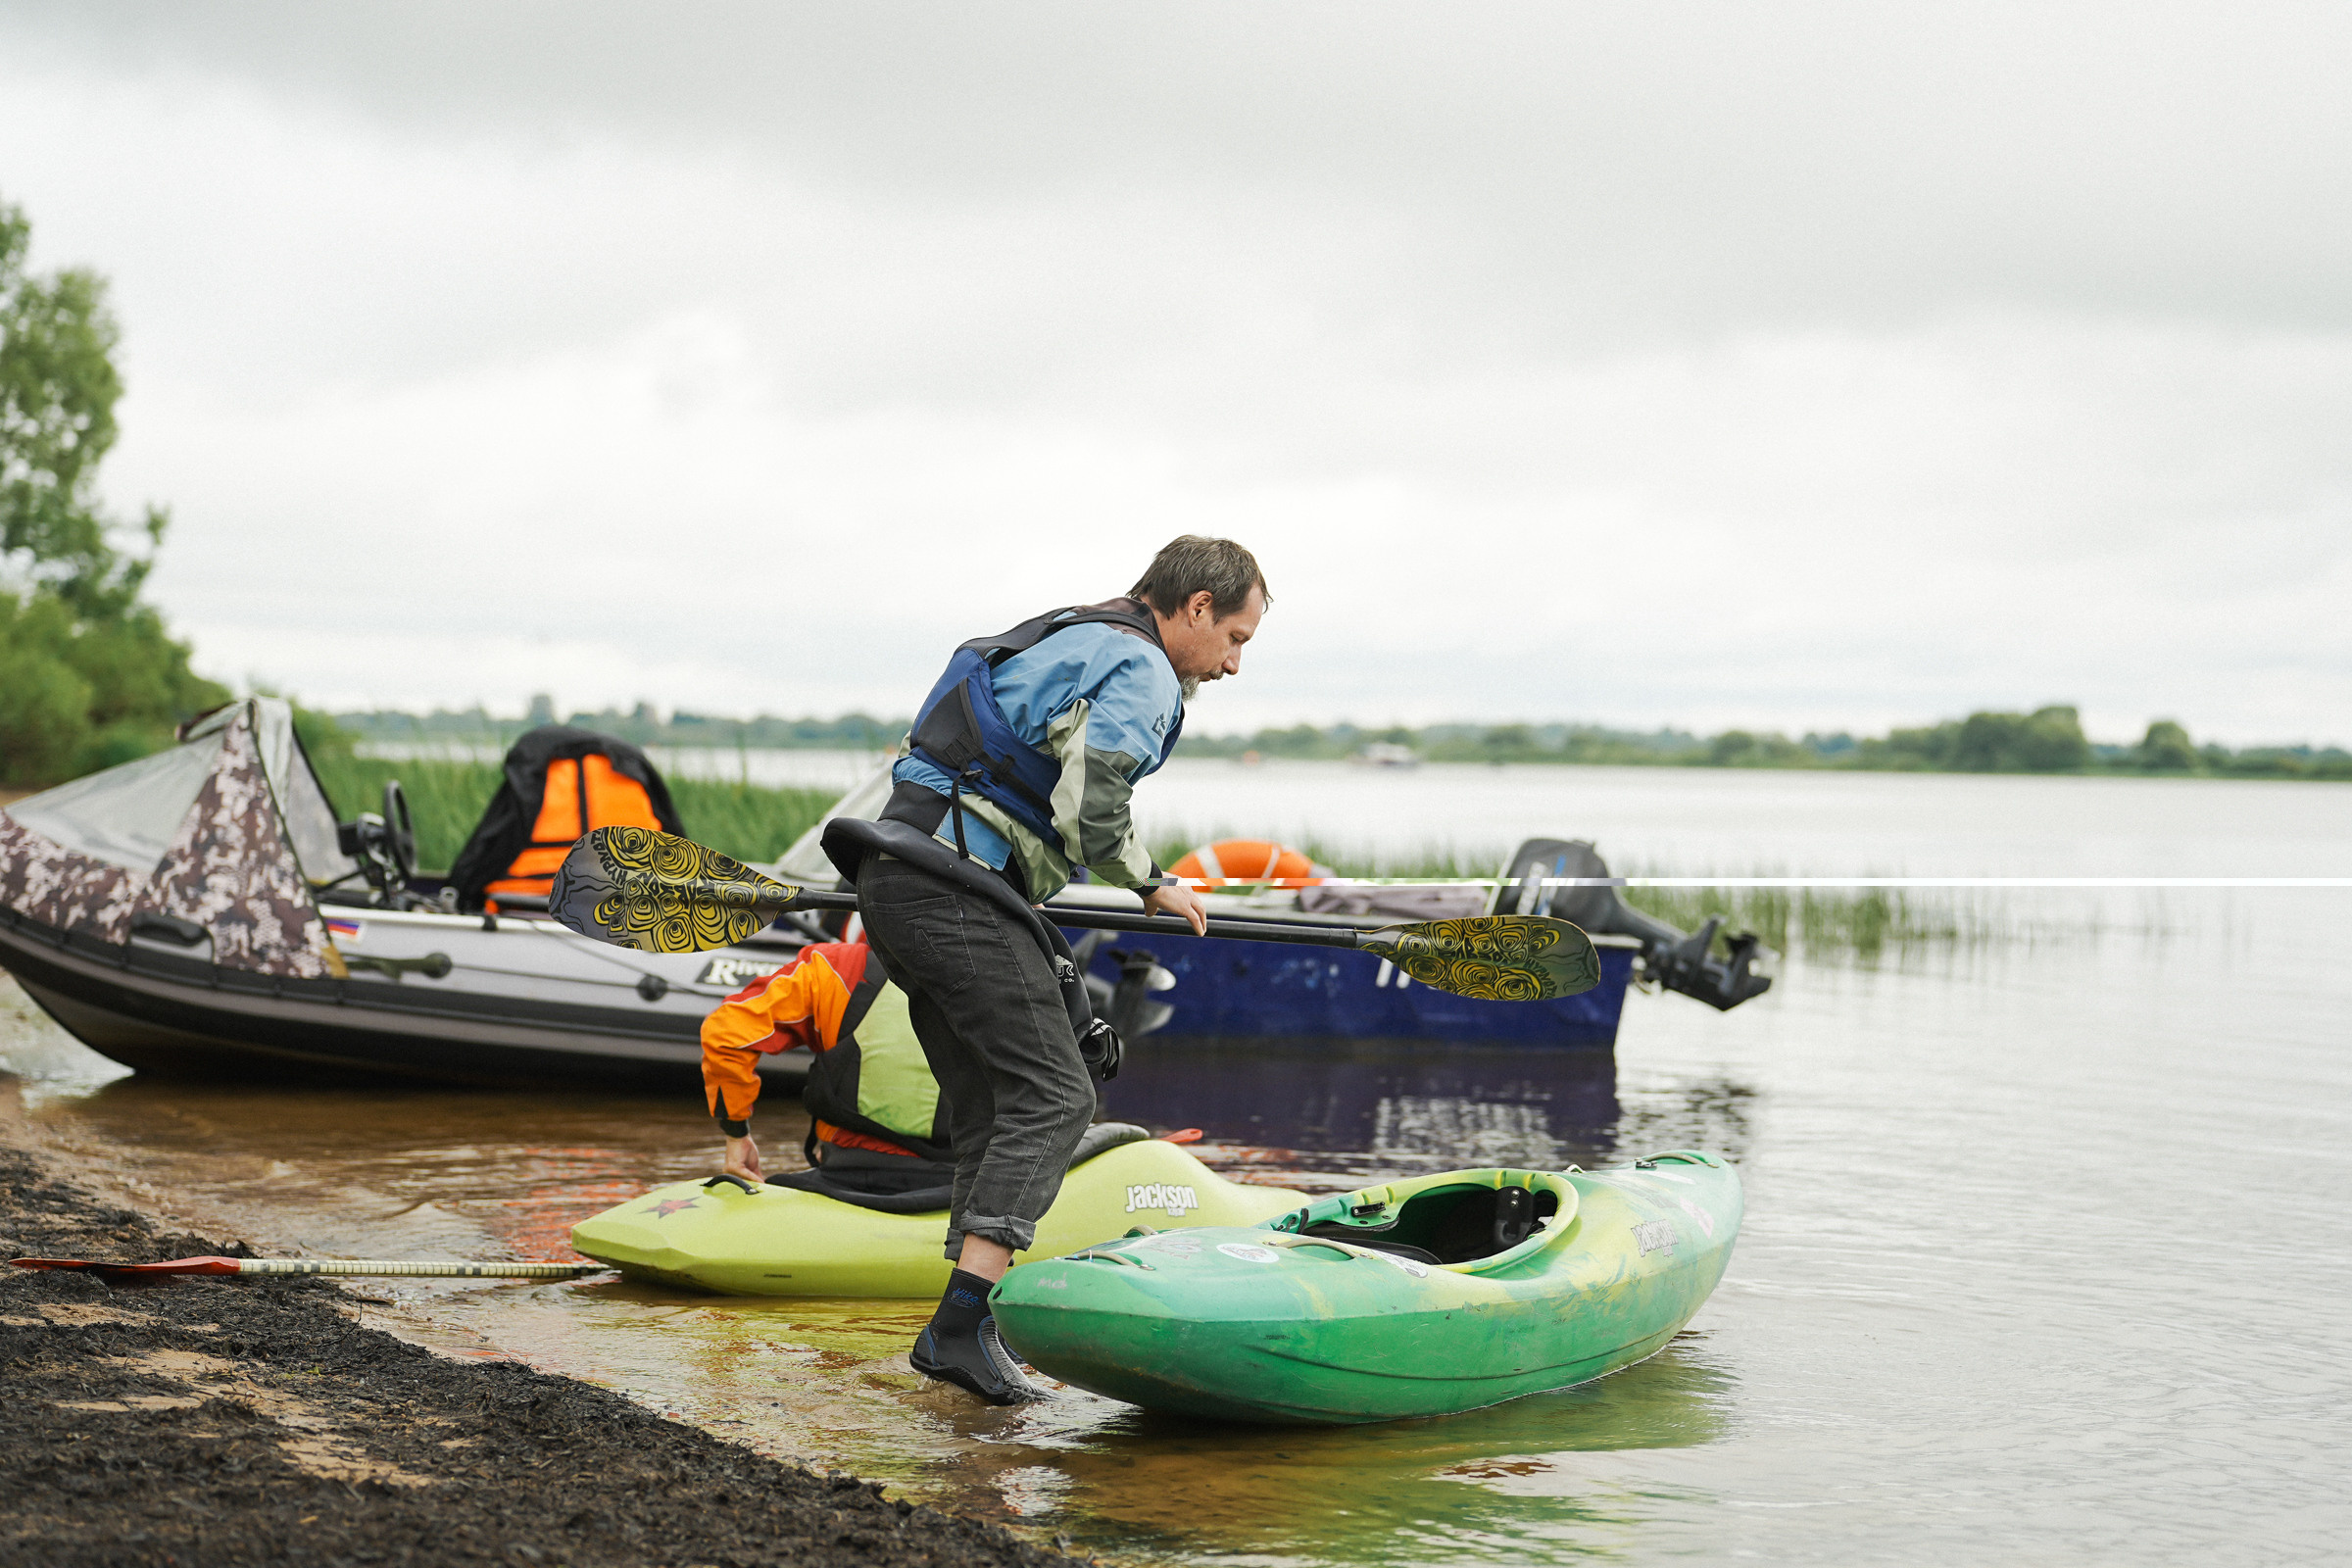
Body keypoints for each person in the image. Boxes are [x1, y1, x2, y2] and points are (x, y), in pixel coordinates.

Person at [855, 535, 1269, 1403]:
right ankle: (958, 1328)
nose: (1233, 664)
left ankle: (967, 1324)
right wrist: (1150, 881)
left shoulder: (1077, 633)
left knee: (993, 1103)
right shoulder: (1142, 665)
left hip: (896, 881)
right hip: (952, 889)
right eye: (1235, 638)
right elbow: (1095, 803)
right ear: (1196, 606)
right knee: (1055, 1096)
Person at [703, 937, 953, 1198]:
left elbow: (726, 1032)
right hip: (961, 1184)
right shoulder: (984, 977)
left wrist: (736, 1134)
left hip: (844, 1172)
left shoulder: (837, 966)